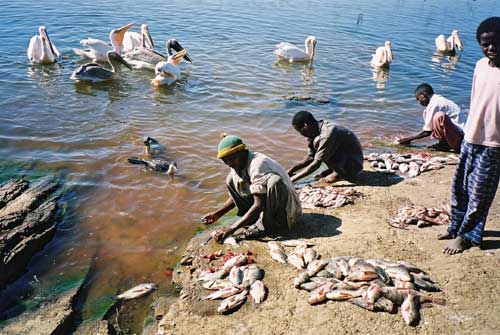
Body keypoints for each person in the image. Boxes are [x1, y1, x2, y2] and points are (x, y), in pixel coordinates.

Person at [440, 17, 500, 255]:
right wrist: (465, 133)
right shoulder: (479, 66)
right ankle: (455, 227)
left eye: (496, 43)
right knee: (459, 188)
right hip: (471, 137)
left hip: (494, 144)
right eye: (485, 44)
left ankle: (468, 236)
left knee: (480, 193)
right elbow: (476, 99)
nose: (491, 48)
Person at [202, 134, 301, 243]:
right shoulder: (238, 164)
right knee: (230, 179)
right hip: (266, 205)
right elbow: (237, 195)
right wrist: (217, 214)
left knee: (274, 181)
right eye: (225, 161)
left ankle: (268, 225)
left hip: (287, 212)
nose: (229, 164)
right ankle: (253, 219)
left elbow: (258, 204)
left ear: (242, 152)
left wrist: (232, 228)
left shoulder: (257, 164)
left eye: (232, 159)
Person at [288, 111, 363, 184]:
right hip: (345, 159)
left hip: (354, 164)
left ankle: (341, 173)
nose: (301, 134)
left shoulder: (327, 134)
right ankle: (335, 170)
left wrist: (292, 180)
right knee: (317, 144)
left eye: (300, 131)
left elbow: (316, 164)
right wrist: (291, 170)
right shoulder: (315, 131)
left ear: (305, 125)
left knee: (321, 147)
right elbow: (311, 157)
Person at [397, 83, 466, 151]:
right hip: (458, 137)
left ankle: (444, 144)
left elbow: (427, 132)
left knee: (439, 116)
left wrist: (408, 139)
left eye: (418, 99)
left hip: (460, 141)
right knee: (431, 115)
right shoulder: (437, 100)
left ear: (423, 95)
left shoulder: (435, 104)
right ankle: (445, 143)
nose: (420, 103)